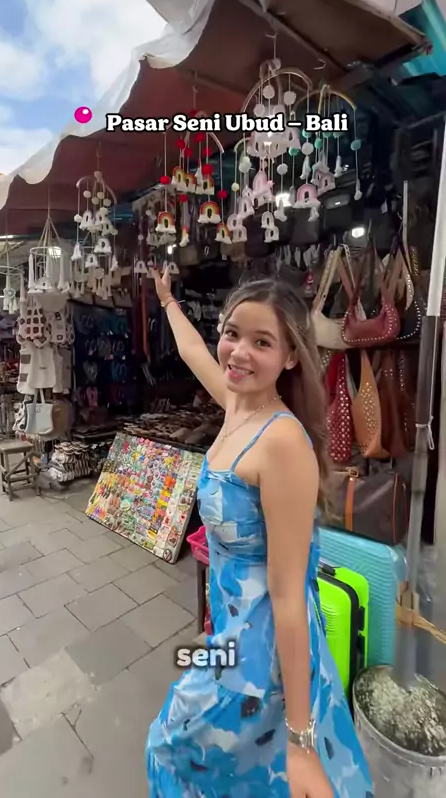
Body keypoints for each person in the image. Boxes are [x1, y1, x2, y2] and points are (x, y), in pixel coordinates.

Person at [146, 268, 373, 798]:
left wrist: (300, 739)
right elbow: (193, 352)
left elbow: (288, 596)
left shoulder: (282, 443)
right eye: (232, 333)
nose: (239, 352)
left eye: (262, 342)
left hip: (259, 649)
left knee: (172, 747)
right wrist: (168, 301)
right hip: (228, 632)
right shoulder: (237, 406)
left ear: (291, 356)